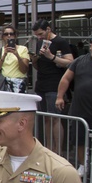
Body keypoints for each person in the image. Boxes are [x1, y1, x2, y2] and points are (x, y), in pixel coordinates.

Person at [32, 19, 75, 155]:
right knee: (46, 118)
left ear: (48, 29)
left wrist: (52, 57)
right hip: (41, 84)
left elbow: (70, 62)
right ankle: (48, 149)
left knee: (55, 118)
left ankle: (58, 150)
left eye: (41, 33)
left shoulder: (60, 42)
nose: (39, 37)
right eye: (37, 35)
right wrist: (34, 60)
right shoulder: (40, 42)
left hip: (55, 84)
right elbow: (39, 65)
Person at [56, 33, 92, 174]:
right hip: (80, 108)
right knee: (79, 139)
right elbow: (66, 79)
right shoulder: (79, 61)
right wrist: (60, 97)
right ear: (91, 45)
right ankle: (83, 165)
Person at [0, 25, 31, 93]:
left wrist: (17, 55)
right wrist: (4, 55)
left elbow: (24, 70)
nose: (9, 36)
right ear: (2, 37)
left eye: (11, 34)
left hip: (18, 85)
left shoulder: (23, 49)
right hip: (2, 84)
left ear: (15, 36)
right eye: (6, 34)